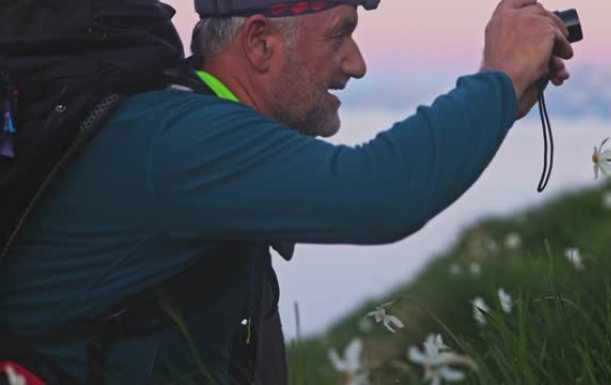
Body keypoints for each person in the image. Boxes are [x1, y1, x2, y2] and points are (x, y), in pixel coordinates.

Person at [0, 0, 573, 384]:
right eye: (340, 34)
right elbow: (381, 194)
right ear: (260, 44)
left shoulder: (187, 120)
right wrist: (496, 78)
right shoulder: (180, 140)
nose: (358, 63)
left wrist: (503, 99)